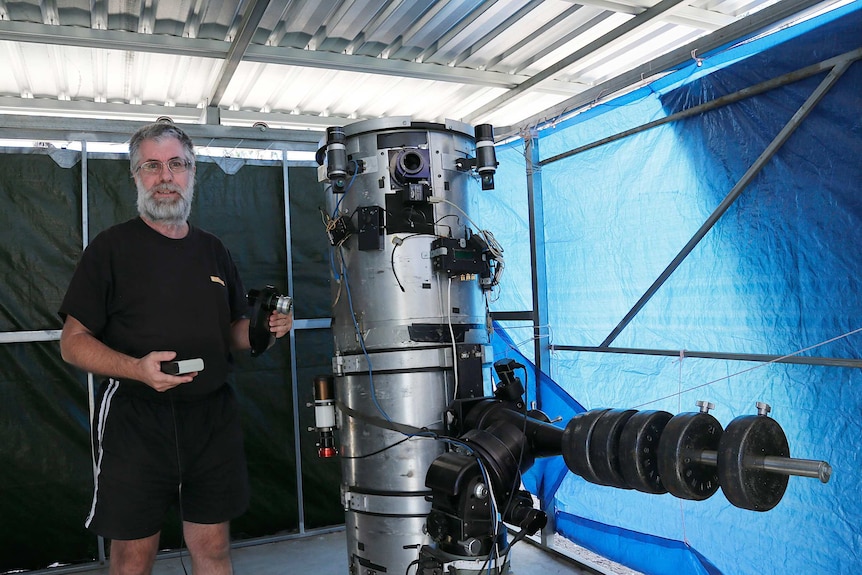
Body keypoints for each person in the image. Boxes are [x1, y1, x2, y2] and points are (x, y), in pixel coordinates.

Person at [58, 121, 292, 575]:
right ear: (136, 176)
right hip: (136, 418)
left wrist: (267, 328)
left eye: (177, 165)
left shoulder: (213, 250)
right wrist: (136, 368)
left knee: (213, 549)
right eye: (152, 166)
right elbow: (73, 343)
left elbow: (229, 333)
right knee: (133, 557)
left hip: (210, 418)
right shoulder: (111, 248)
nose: (166, 176)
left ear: (192, 173)